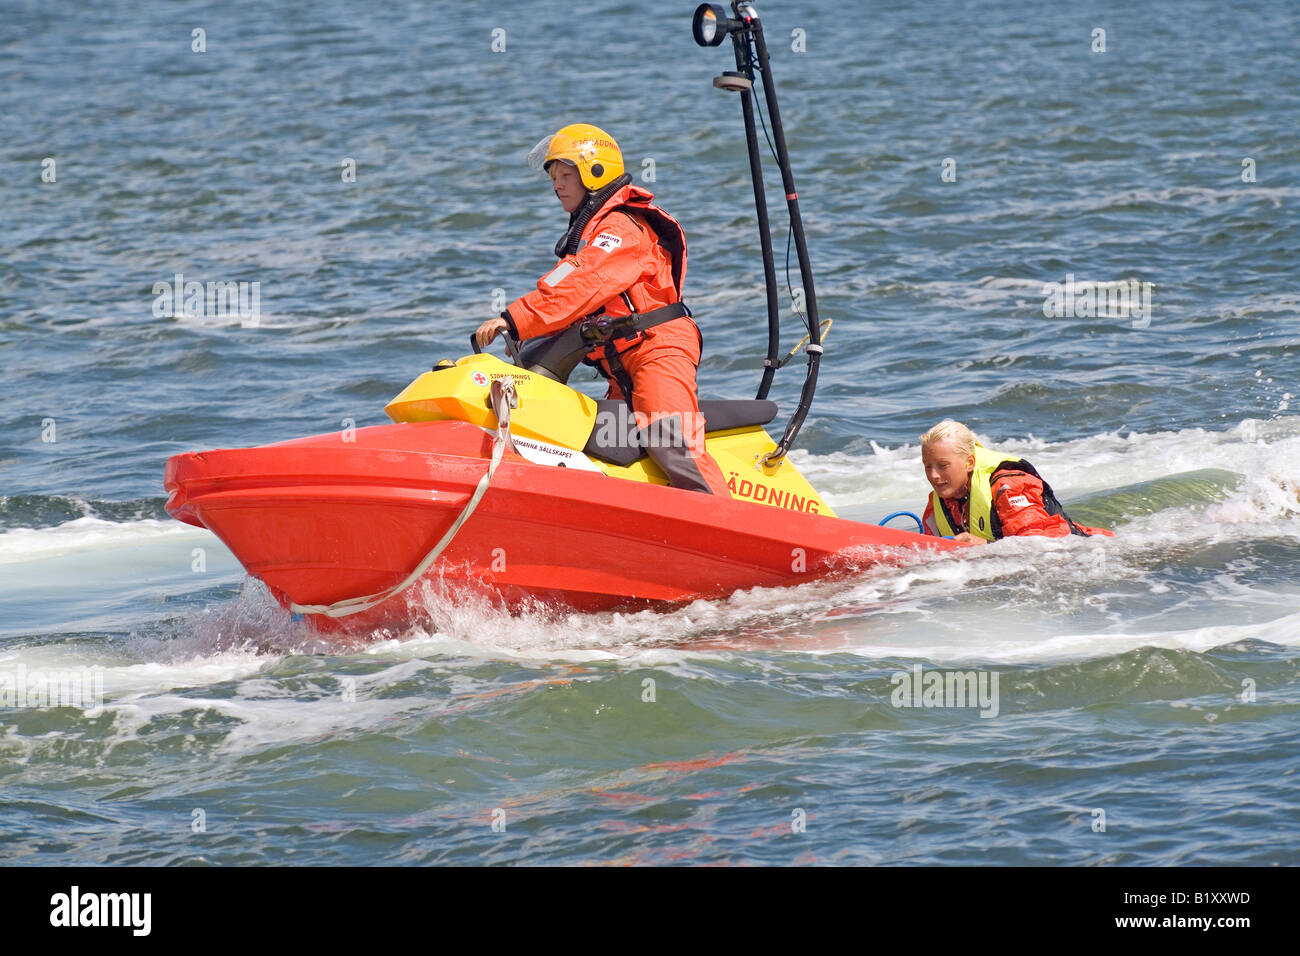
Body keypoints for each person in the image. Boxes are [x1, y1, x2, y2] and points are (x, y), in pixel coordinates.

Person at [474, 124, 729, 496]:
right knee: (603, 450)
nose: (557, 185)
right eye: (553, 179)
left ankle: (724, 530)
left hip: (658, 352)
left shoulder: (621, 229)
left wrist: (513, 319)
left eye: (565, 175)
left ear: (596, 173)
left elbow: (580, 284)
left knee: (670, 440)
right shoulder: (590, 238)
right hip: (620, 368)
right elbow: (571, 293)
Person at [919, 419, 1113, 544]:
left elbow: (1045, 546)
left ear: (969, 462)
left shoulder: (1009, 486)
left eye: (943, 465)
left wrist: (985, 547)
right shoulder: (936, 506)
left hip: (1094, 554)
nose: (934, 475)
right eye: (928, 466)